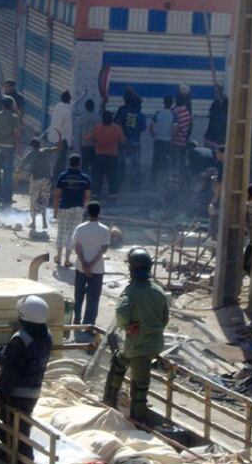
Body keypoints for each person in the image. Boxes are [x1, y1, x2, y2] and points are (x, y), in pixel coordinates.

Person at [103, 249, 169, 423]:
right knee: (123, 360)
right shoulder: (158, 291)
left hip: (138, 345)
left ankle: (134, 418)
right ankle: (125, 408)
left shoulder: (131, 292)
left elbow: (122, 311)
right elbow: (164, 318)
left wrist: (127, 326)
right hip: (155, 343)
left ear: (132, 268)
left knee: (139, 385)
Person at [0, 295, 52, 464]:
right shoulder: (47, 336)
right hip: (33, 392)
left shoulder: (20, 339)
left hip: (16, 395)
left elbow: (10, 372)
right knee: (22, 428)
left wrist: (2, 395)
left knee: (7, 431)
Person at [73, 201, 109, 329]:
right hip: (97, 269)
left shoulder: (80, 228)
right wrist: (91, 264)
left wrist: (84, 264)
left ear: (88, 212)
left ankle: (76, 320)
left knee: (78, 295)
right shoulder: (104, 230)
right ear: (99, 213)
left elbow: (77, 247)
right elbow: (103, 250)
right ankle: (89, 324)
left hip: (80, 267)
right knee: (93, 298)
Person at [54, 153, 91, 267]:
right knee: (73, 234)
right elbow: (88, 196)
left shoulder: (63, 176)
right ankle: (67, 260)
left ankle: (59, 256)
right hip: (78, 208)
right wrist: (84, 209)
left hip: (64, 206)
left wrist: (55, 210)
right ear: (79, 164)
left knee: (62, 231)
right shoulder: (85, 178)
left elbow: (57, 194)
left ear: (69, 163)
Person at [18, 134, 61, 231]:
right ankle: (44, 222)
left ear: (32, 146)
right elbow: (58, 148)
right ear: (39, 145)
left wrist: (17, 174)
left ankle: (33, 222)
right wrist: (59, 136)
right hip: (46, 180)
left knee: (34, 201)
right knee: (44, 200)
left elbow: (21, 164)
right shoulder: (45, 151)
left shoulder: (30, 153)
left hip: (35, 179)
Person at [86, 110, 125, 200]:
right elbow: (123, 140)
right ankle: (112, 194)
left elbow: (88, 138)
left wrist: (95, 143)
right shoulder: (116, 128)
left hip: (99, 156)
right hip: (112, 156)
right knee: (112, 176)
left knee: (98, 176)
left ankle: (96, 193)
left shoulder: (97, 128)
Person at [114, 92, 146, 190]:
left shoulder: (123, 112)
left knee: (120, 163)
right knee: (135, 165)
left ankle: (118, 184)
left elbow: (117, 123)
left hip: (123, 141)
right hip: (135, 141)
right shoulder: (141, 115)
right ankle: (134, 186)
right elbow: (143, 128)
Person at [0, 96, 20, 205]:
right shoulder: (14, 117)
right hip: (9, 146)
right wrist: (18, 146)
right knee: (8, 173)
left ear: (3, 106)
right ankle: (7, 197)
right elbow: (16, 133)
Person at [150, 96, 176, 187]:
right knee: (166, 162)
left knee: (155, 161)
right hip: (168, 141)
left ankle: (153, 182)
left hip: (158, 140)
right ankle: (165, 182)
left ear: (163, 103)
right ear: (172, 104)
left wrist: (154, 135)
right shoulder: (173, 115)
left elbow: (151, 126)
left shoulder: (158, 113)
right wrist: (172, 139)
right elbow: (174, 129)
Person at [49, 90, 73, 184]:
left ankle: (53, 177)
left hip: (52, 136)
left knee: (55, 159)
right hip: (62, 138)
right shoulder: (67, 111)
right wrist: (70, 143)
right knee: (61, 160)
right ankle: (57, 179)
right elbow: (68, 128)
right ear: (69, 99)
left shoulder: (57, 107)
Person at [172, 93, 193, 180]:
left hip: (176, 141)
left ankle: (175, 180)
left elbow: (175, 127)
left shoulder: (174, 112)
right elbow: (190, 125)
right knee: (182, 161)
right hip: (184, 140)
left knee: (174, 162)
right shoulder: (187, 112)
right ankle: (183, 179)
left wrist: (172, 139)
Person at [79, 99, 98, 176]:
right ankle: (93, 181)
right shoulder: (97, 117)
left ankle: (84, 180)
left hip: (84, 145)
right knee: (94, 165)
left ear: (85, 107)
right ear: (93, 107)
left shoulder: (82, 117)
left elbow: (79, 132)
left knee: (85, 165)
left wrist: (79, 143)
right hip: (94, 145)